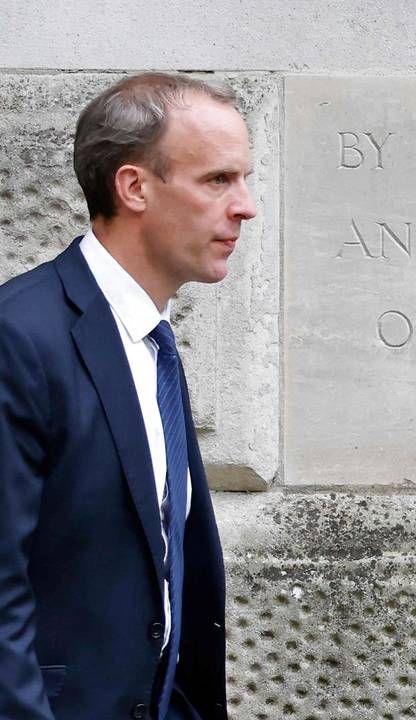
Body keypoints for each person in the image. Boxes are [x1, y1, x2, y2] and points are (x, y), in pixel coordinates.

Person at [0, 73, 257, 719]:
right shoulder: (20, 337)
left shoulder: (151, 341)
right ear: (135, 186)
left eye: (243, 179)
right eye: (217, 180)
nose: (246, 205)